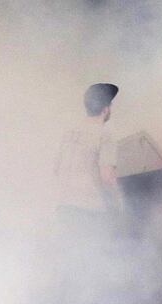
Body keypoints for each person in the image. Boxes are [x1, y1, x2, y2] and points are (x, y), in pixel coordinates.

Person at [54, 82, 123, 225]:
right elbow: (107, 176)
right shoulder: (104, 135)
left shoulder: (69, 132)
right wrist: (120, 203)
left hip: (64, 209)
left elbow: (56, 168)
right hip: (90, 212)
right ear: (105, 110)